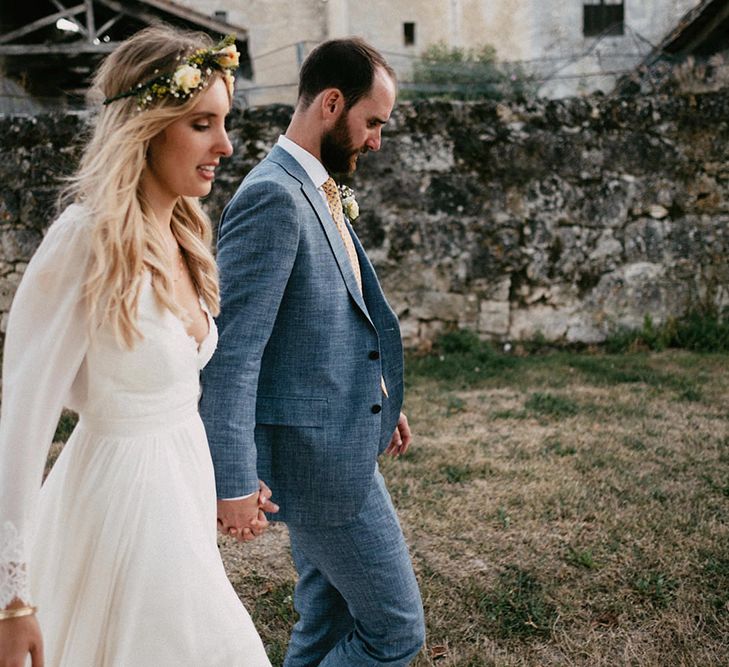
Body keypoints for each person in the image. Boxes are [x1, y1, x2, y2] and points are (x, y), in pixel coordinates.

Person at [0, 25, 273, 667]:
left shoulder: (186, 230)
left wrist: (223, 479)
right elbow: (21, 426)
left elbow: (183, 392)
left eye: (224, 122)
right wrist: (12, 600)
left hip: (180, 492)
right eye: (202, 124)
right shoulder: (84, 241)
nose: (225, 146)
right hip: (115, 509)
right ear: (148, 125)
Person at [199, 38, 426, 666]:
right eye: (372, 121)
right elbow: (234, 353)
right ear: (332, 103)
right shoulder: (274, 196)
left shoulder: (315, 187)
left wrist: (380, 398)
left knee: (327, 622)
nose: (378, 140)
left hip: (343, 434)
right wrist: (234, 479)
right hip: (321, 467)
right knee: (395, 632)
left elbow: (326, 320)